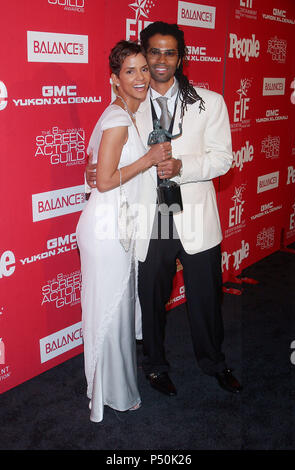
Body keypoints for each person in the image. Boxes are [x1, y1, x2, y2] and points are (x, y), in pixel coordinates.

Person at [86, 22, 242, 397]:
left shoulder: (209, 102)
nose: (160, 60)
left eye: (169, 52)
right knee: (151, 298)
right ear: (144, 55)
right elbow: (108, 159)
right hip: (149, 217)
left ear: (181, 58)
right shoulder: (129, 105)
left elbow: (223, 159)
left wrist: (184, 167)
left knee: (206, 298)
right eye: (153, 51)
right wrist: (94, 170)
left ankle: (214, 363)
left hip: (195, 216)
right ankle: (154, 366)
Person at [76, 40, 172, 422]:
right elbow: (102, 181)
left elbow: (94, 165)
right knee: (109, 314)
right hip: (105, 228)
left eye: (143, 69)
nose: (140, 78)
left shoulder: (134, 113)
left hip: (122, 225)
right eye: (129, 71)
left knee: (116, 313)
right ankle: (110, 394)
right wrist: (148, 160)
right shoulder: (117, 119)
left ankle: (115, 389)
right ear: (114, 79)